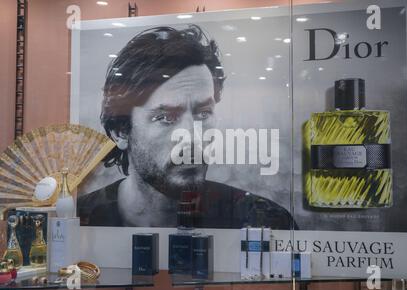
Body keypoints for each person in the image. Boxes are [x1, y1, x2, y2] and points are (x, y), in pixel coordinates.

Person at [78, 25, 296, 229]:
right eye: (165, 117)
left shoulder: (264, 221)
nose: (192, 136)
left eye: (203, 113)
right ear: (121, 132)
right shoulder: (81, 219)